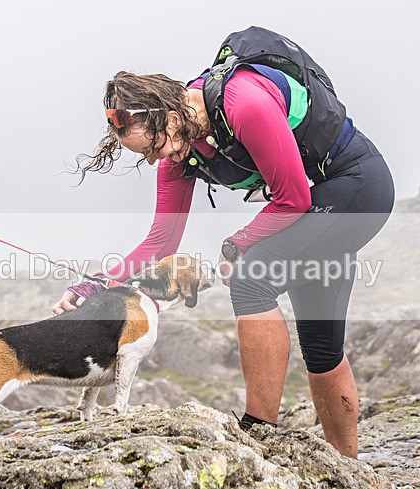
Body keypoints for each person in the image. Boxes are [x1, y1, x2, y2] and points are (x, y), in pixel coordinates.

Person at [52, 37, 394, 459]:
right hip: (319, 203)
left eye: (154, 146)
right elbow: (161, 242)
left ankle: (258, 432)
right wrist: (95, 285)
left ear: (170, 115)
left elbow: (293, 199)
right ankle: (349, 467)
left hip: (357, 187)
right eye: (146, 155)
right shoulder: (179, 154)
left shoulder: (243, 103)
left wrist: (238, 244)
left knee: (251, 278)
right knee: (321, 345)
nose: (159, 158)